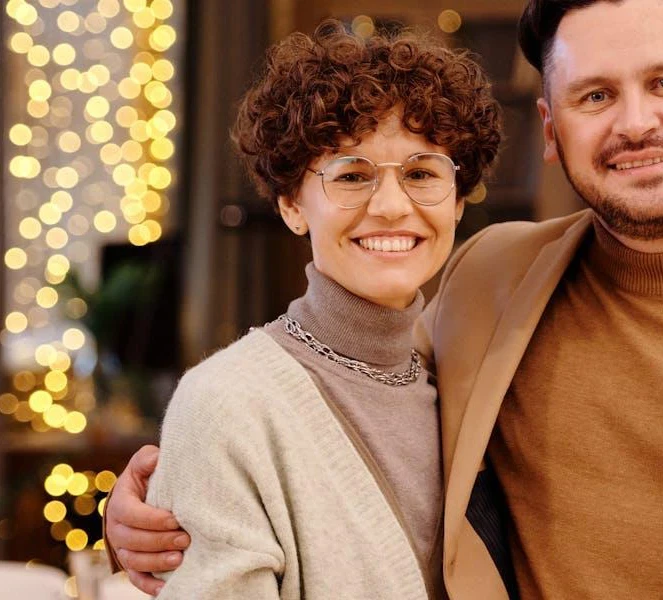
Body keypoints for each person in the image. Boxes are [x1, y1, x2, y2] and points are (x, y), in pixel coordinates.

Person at [106, 1, 663, 598]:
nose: (635, 122)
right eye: (594, 96)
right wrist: (170, 499)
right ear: (552, 131)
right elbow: (329, 390)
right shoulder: (491, 279)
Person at [103, 20, 501, 599]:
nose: (392, 206)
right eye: (352, 175)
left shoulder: (466, 378)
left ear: (458, 200)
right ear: (291, 203)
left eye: (421, 173)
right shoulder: (225, 405)